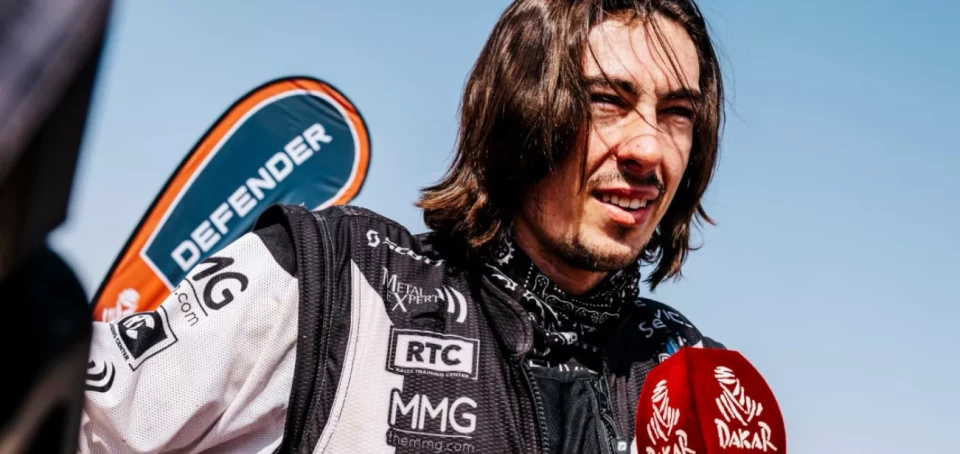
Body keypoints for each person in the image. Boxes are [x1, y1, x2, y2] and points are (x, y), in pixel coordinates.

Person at [79, 0, 726, 452]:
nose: (650, 149)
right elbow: (79, 422)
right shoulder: (330, 283)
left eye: (677, 113)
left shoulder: (701, 381)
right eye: (608, 100)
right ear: (523, 111)